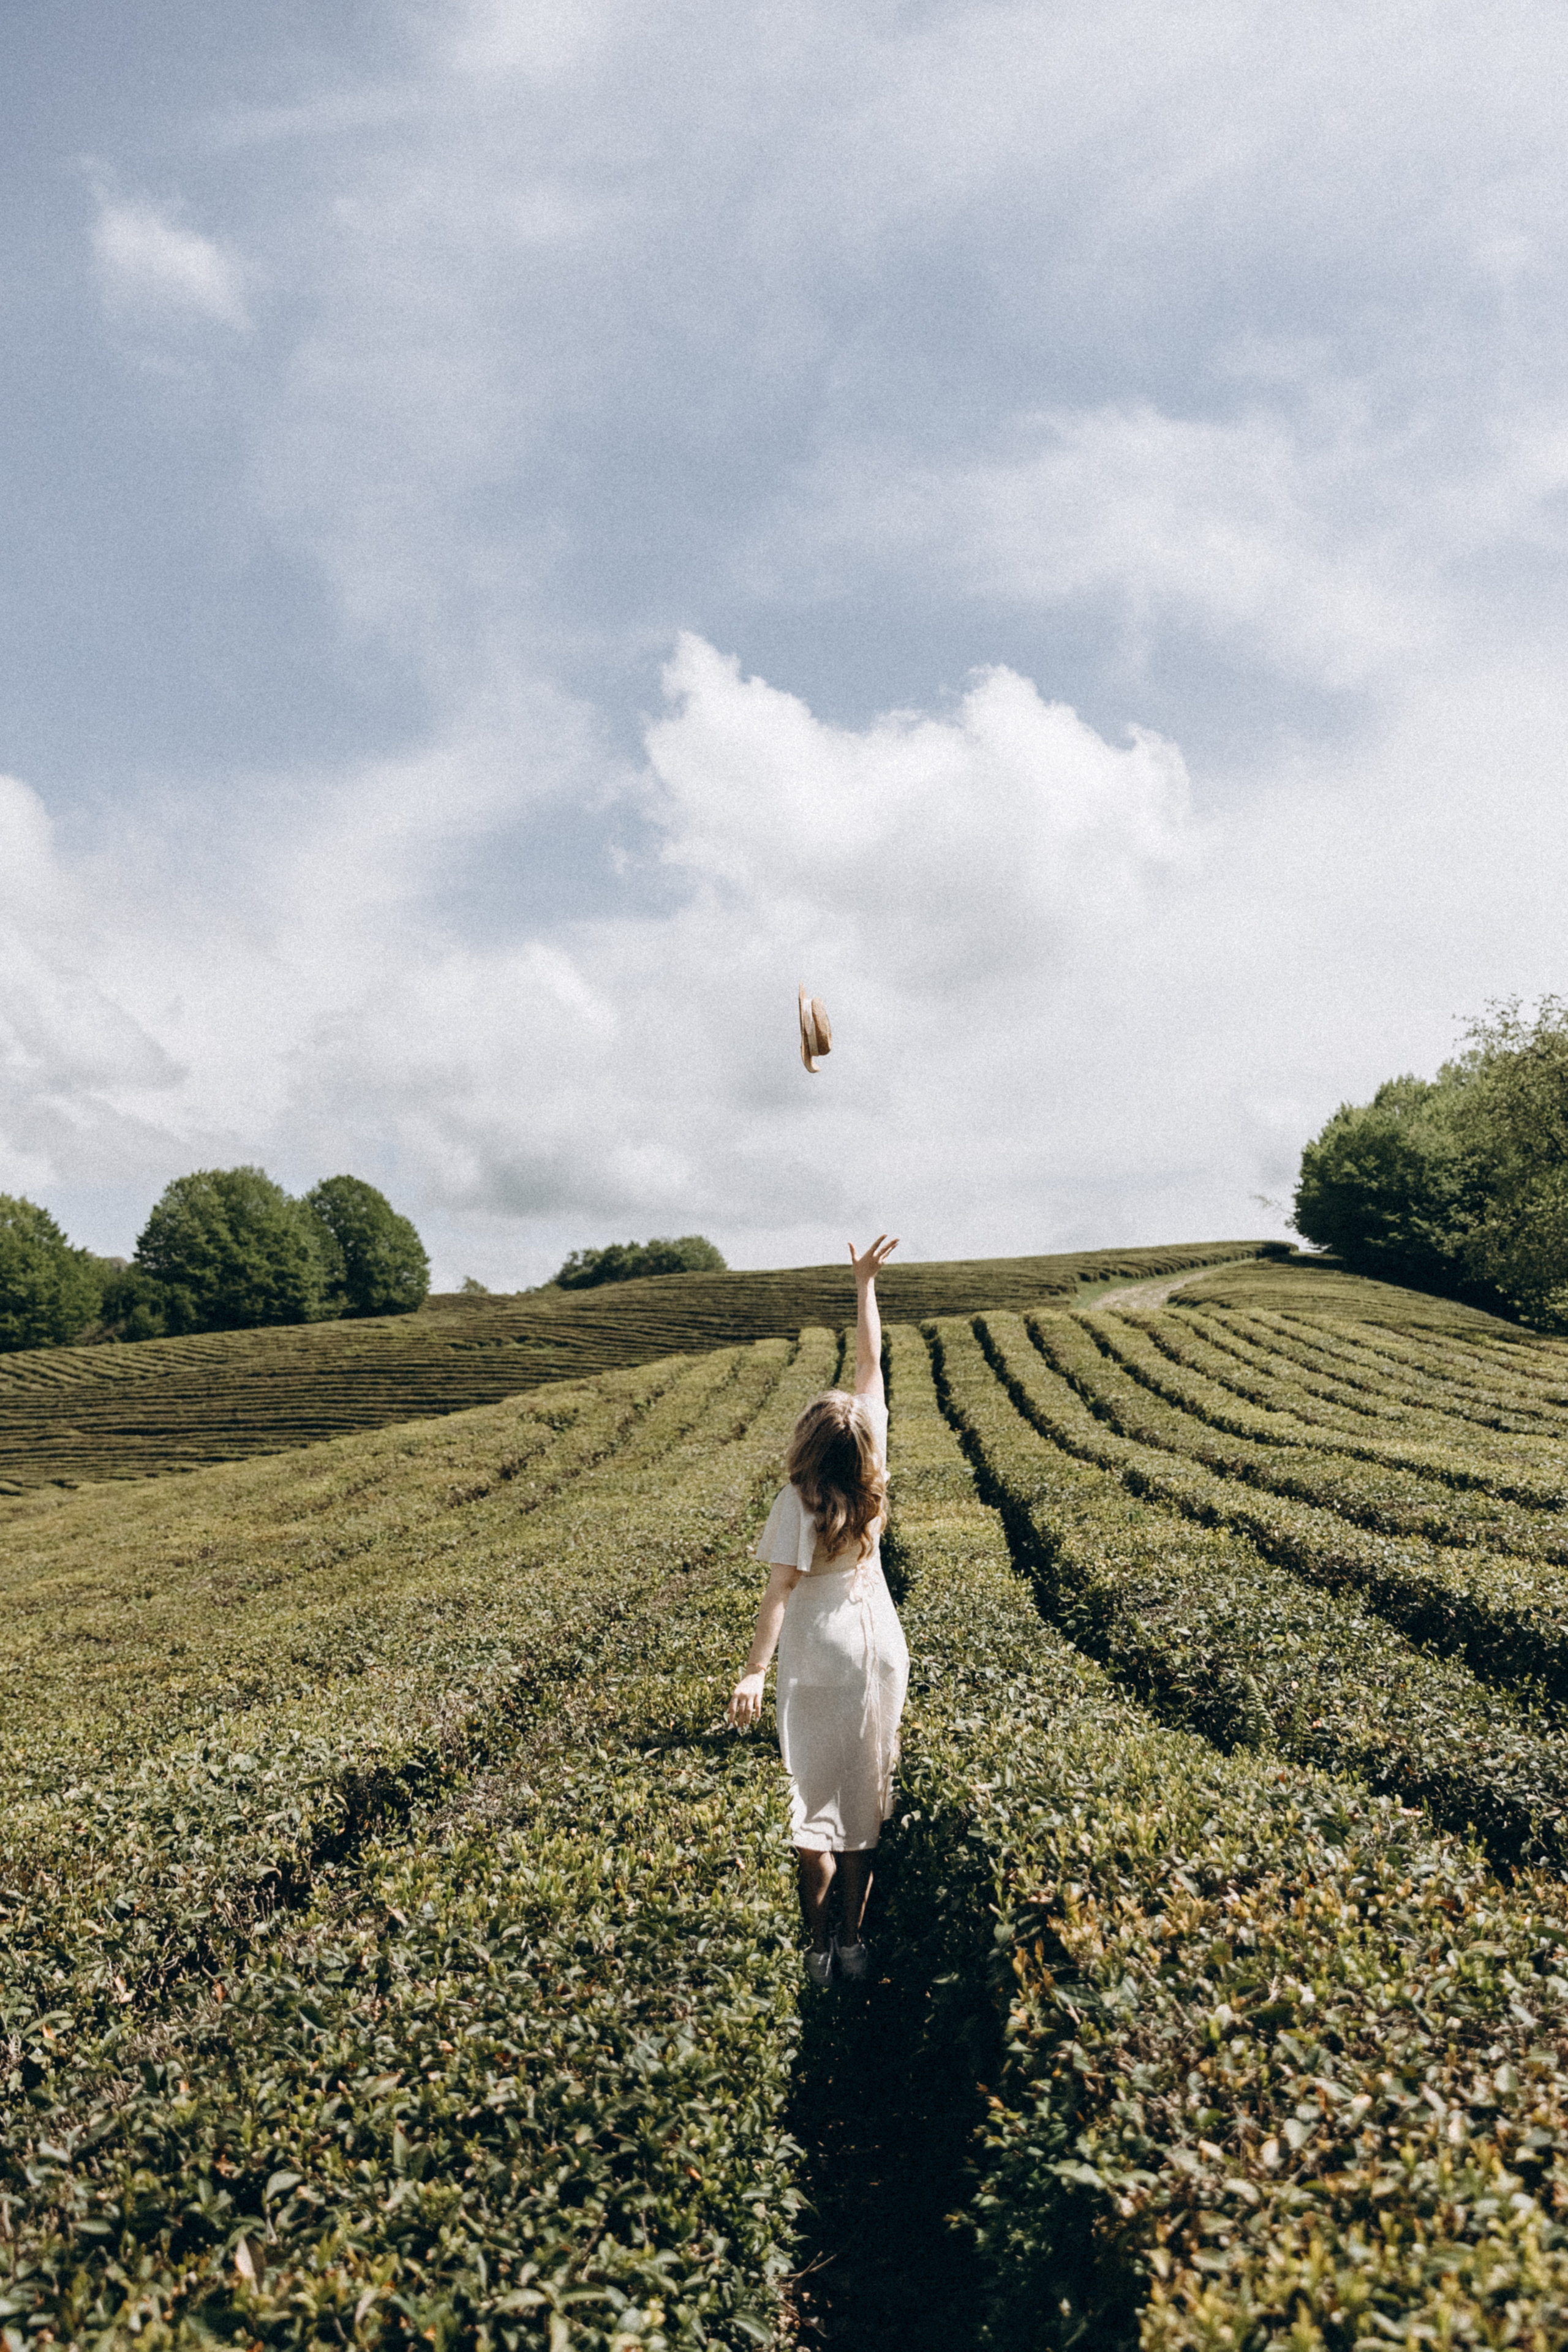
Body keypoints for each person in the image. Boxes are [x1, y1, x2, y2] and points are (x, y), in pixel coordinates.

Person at [727, 1234, 910, 1986]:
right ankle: (855, 1946)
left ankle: (816, 1949)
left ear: (807, 1444)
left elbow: (779, 1593)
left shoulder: (796, 1501)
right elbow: (870, 1365)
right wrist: (865, 1285)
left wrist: (752, 1673)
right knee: (864, 1804)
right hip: (878, 1648)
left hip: (816, 1654)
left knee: (812, 1808)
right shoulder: (874, 1471)